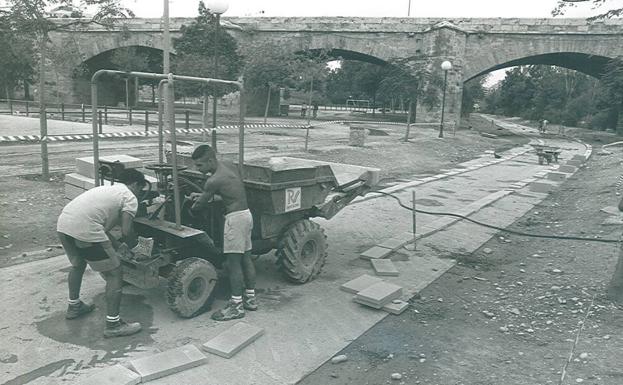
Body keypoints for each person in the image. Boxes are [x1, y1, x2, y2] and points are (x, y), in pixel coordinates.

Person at [57, 168, 146, 338]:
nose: (140, 193)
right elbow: (127, 230)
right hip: (85, 229)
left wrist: (118, 245)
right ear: (135, 184)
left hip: (64, 225)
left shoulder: (107, 190)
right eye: (140, 189)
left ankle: (74, 306)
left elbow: (104, 229)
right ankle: (113, 325)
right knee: (115, 273)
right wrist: (137, 249)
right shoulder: (130, 197)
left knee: (78, 264)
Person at [190, 144, 257, 321]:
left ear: (210, 160)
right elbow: (232, 192)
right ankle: (250, 299)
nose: (199, 170)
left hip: (235, 220)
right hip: (246, 215)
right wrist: (204, 196)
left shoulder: (213, 180)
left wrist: (194, 202)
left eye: (200, 165)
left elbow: (199, 206)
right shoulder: (228, 165)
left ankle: (236, 306)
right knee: (246, 258)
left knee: (233, 263)